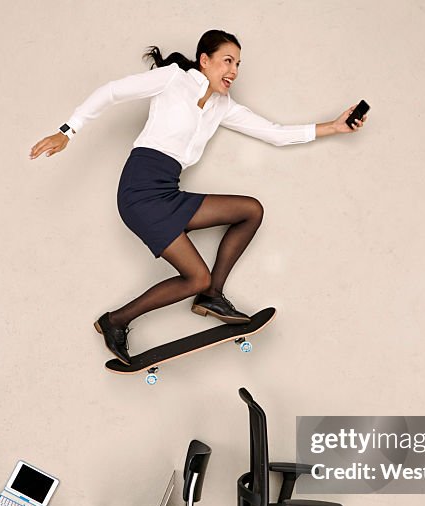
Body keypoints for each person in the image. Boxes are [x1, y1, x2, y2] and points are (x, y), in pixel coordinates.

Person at [30, 30, 366, 365]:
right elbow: (112, 92)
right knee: (195, 276)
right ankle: (115, 321)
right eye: (227, 61)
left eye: (238, 64)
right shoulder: (172, 79)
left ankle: (211, 295)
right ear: (204, 61)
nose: (233, 71)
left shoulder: (222, 105)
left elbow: (275, 134)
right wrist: (67, 132)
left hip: (167, 190)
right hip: (140, 190)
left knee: (250, 211)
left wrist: (334, 127)